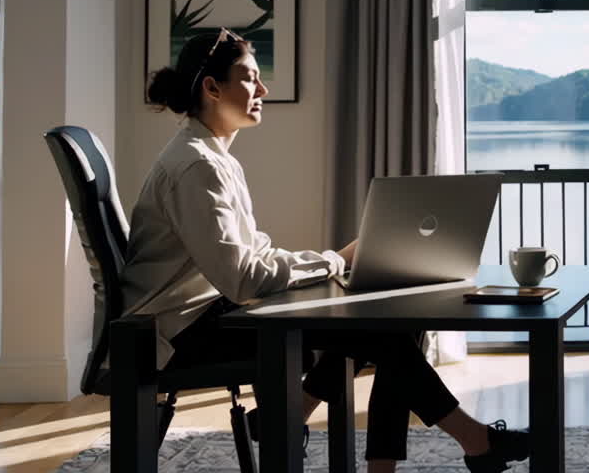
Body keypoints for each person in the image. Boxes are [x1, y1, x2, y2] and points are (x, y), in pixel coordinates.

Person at [123, 28, 530, 473]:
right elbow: (242, 279)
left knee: (375, 323)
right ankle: (473, 442)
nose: (262, 90)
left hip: (206, 313)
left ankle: (317, 418)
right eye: (250, 78)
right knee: (381, 331)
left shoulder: (212, 157)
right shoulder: (197, 165)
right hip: (180, 334)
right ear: (212, 87)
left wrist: (331, 263)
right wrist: (336, 261)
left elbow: (253, 254)